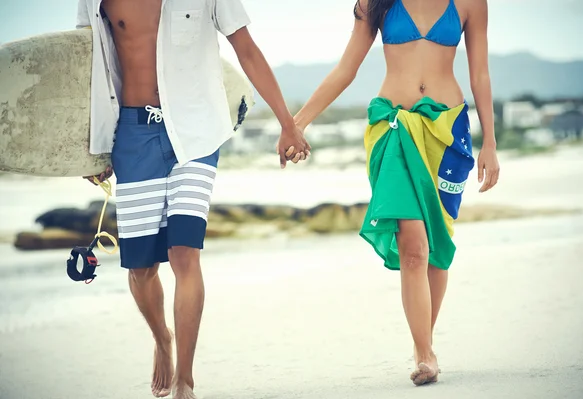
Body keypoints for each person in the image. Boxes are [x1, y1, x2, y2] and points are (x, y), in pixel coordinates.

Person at [76, 0, 310, 398]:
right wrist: (86, 150)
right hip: (132, 135)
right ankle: (162, 339)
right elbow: (84, 62)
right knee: (141, 268)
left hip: (197, 129)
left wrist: (288, 124)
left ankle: (186, 378)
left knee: (185, 252)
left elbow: (246, 48)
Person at [292, 0, 500, 386]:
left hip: (446, 131)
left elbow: (481, 74)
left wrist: (490, 142)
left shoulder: (471, 3)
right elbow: (346, 69)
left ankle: (426, 341)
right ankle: (424, 353)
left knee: (436, 245)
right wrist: (297, 123)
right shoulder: (375, 3)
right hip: (393, 129)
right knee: (414, 246)